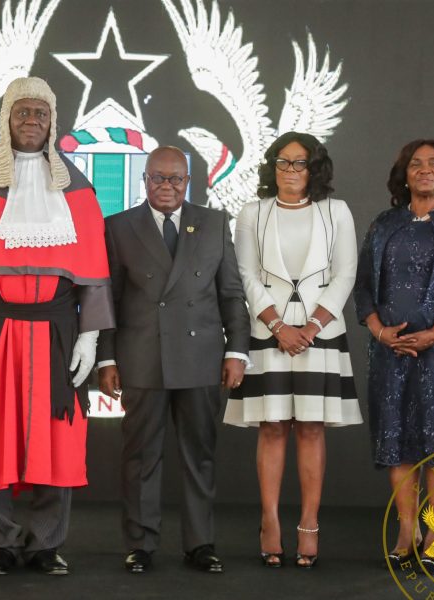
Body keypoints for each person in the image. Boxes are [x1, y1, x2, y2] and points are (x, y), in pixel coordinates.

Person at [0, 76, 114, 576]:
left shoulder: (76, 188)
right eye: (22, 112)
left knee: (59, 438)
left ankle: (46, 543)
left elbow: (94, 273)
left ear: (53, 122)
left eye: (41, 113)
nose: (31, 121)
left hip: (57, 334)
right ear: (6, 119)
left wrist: (92, 335)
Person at [97, 146, 251, 574]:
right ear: (143, 181)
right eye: (158, 178)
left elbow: (231, 293)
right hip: (141, 357)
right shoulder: (119, 227)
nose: (166, 186)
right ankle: (140, 544)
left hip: (201, 357)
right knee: (140, 456)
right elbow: (107, 301)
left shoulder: (215, 223)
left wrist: (237, 349)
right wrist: (105, 359)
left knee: (199, 454)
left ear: (189, 182)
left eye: (175, 179)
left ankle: (200, 543)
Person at [223, 131, 362, 569]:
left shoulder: (335, 211)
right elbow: (245, 275)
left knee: (311, 428)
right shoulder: (252, 212)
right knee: (272, 427)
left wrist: (313, 326)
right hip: (270, 333)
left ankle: (308, 524)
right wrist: (279, 325)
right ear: (272, 167)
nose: (290, 171)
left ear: (314, 168)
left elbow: (345, 273)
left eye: (299, 163)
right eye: (283, 163)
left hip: (321, 333)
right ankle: (269, 522)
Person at [354, 139, 434, 572]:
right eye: (416, 164)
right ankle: (407, 532)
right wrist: (378, 331)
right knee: (400, 445)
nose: (425, 170)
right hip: (391, 354)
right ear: (404, 175)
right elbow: (364, 287)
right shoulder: (383, 224)